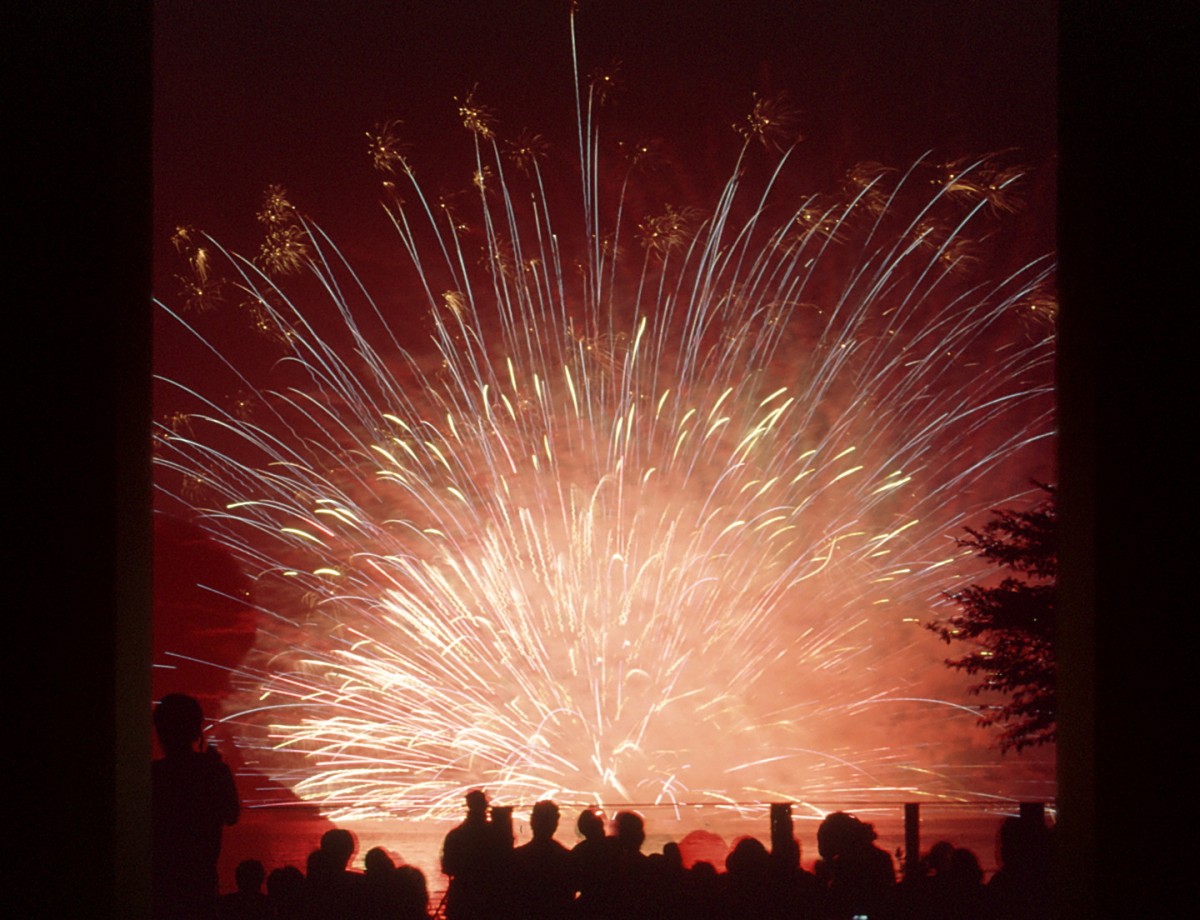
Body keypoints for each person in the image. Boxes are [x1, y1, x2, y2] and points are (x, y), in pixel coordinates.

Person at [152, 693, 240, 920]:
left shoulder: (152, 775)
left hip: (158, 885)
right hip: (201, 882)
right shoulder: (213, 771)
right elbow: (232, 816)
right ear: (196, 729)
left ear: (160, 730)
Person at [440, 789, 511, 919]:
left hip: (462, 899)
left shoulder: (456, 834)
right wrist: (505, 824)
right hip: (491, 900)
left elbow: (447, 867)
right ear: (485, 806)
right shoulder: (495, 834)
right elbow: (507, 861)